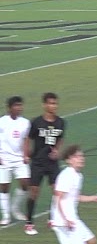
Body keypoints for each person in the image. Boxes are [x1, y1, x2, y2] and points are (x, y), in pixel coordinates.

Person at [24, 91, 65, 235]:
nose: (54, 106)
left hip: (52, 163)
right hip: (38, 162)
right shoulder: (36, 122)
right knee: (34, 192)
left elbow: (60, 139)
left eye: (55, 103)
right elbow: (28, 138)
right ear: (44, 105)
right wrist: (26, 154)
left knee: (57, 191)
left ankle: (52, 219)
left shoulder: (61, 122)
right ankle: (29, 222)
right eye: (51, 103)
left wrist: (57, 151)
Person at [0, 96, 31, 227]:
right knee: (4, 187)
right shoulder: (2, 121)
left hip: (19, 159)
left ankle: (15, 208)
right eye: (16, 105)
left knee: (25, 183)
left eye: (20, 105)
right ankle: (6, 216)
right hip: (4, 158)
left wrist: (25, 155)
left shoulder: (25, 122)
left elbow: (26, 139)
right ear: (9, 107)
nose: (19, 108)